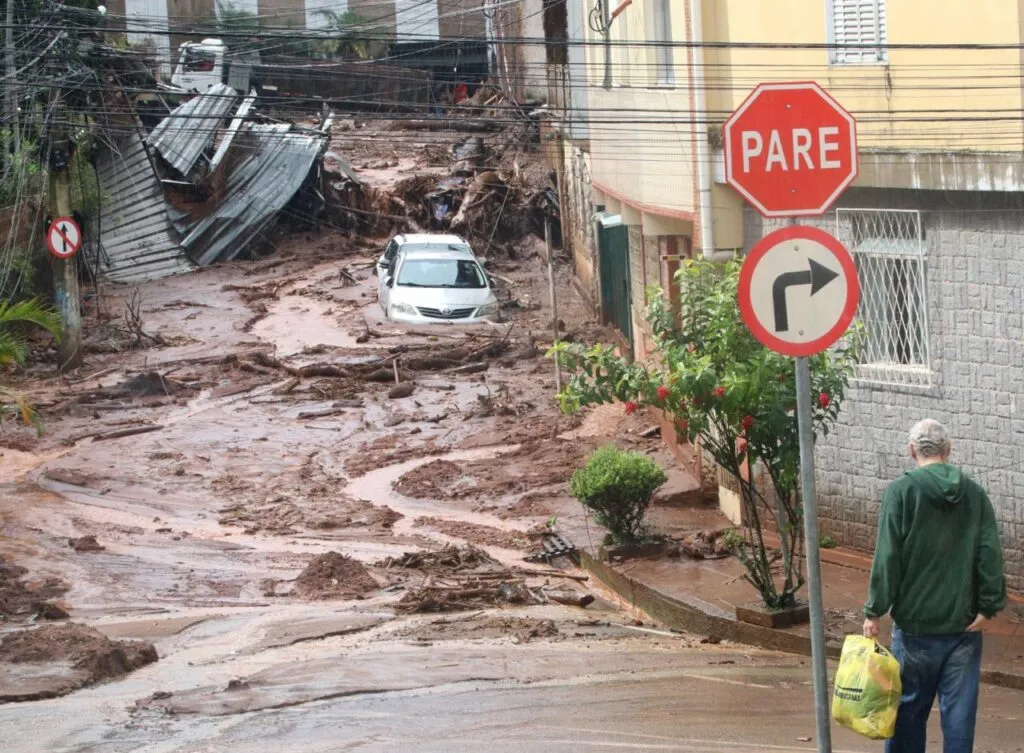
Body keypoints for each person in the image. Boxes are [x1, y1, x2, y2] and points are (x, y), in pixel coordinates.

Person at [863, 419, 1006, 753]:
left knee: (908, 713)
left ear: (912, 450)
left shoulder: (901, 492)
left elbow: (888, 557)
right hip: (964, 628)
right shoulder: (974, 494)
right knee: (959, 716)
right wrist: (988, 606)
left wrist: (874, 610)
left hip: (915, 627)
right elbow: (989, 554)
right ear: (949, 450)